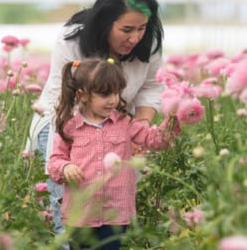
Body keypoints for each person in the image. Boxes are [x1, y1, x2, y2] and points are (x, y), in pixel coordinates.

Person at [25, 0, 165, 242]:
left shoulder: (149, 43)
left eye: (142, 28)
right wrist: (64, 164)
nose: (136, 37)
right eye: (126, 29)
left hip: (120, 127)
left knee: (111, 216)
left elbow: (150, 87)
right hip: (64, 124)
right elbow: (62, 99)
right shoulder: (74, 40)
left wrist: (141, 127)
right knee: (71, 216)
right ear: (105, 23)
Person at [47, 58, 180, 250]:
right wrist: (65, 167)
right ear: (82, 95)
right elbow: (54, 162)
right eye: (105, 94)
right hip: (80, 213)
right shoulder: (69, 126)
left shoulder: (125, 123)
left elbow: (158, 140)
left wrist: (173, 115)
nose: (113, 99)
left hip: (115, 214)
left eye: (117, 92)